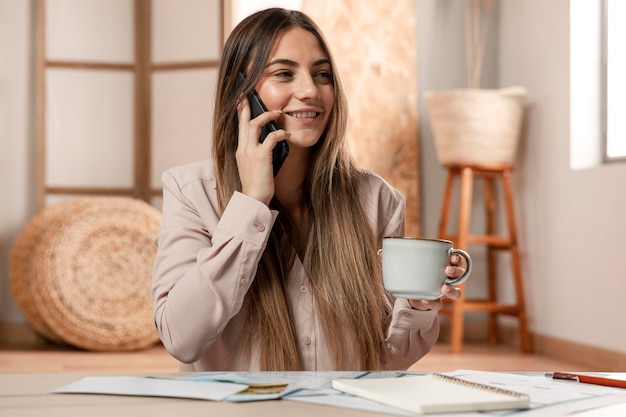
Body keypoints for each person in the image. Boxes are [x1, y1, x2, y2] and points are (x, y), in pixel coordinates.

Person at [151, 7, 463, 372]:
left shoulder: (377, 200)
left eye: (322, 75)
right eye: (284, 74)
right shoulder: (191, 192)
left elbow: (383, 363)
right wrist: (251, 204)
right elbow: (181, 338)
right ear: (241, 95)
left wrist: (417, 308)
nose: (311, 90)